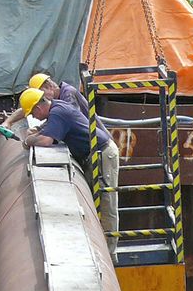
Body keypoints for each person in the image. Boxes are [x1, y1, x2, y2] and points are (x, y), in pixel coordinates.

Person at [19, 87, 120, 257]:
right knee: (97, 199)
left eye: (32, 114)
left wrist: (28, 140)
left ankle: (110, 252)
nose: (33, 118)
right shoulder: (57, 108)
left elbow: (45, 140)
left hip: (103, 154)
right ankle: (103, 244)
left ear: (38, 108)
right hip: (93, 155)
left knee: (106, 201)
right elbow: (47, 130)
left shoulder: (58, 112)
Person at [2, 71, 109, 137]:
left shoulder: (68, 94)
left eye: (41, 95)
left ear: (48, 86)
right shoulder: (58, 96)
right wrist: (8, 122)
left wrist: (40, 129)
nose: (42, 99)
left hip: (96, 143)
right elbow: (28, 107)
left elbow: (63, 119)